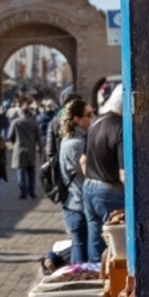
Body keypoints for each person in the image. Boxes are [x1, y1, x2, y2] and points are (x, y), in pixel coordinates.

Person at [83, 84, 125, 261]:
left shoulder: (95, 122)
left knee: (95, 240)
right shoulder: (120, 127)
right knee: (116, 245)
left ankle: (95, 272)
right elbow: (124, 174)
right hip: (109, 191)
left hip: (89, 187)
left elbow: (83, 160)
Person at [57, 99, 95, 264]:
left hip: (75, 204)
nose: (92, 118)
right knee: (81, 257)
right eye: (89, 115)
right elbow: (88, 173)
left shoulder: (72, 140)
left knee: (79, 248)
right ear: (77, 119)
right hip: (77, 205)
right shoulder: (77, 144)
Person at [6, 104, 41, 200]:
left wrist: (15, 143)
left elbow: (9, 136)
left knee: (21, 171)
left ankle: (23, 192)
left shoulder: (15, 122)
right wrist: (40, 149)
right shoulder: (33, 123)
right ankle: (32, 192)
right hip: (31, 149)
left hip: (19, 149)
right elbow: (38, 138)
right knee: (31, 171)